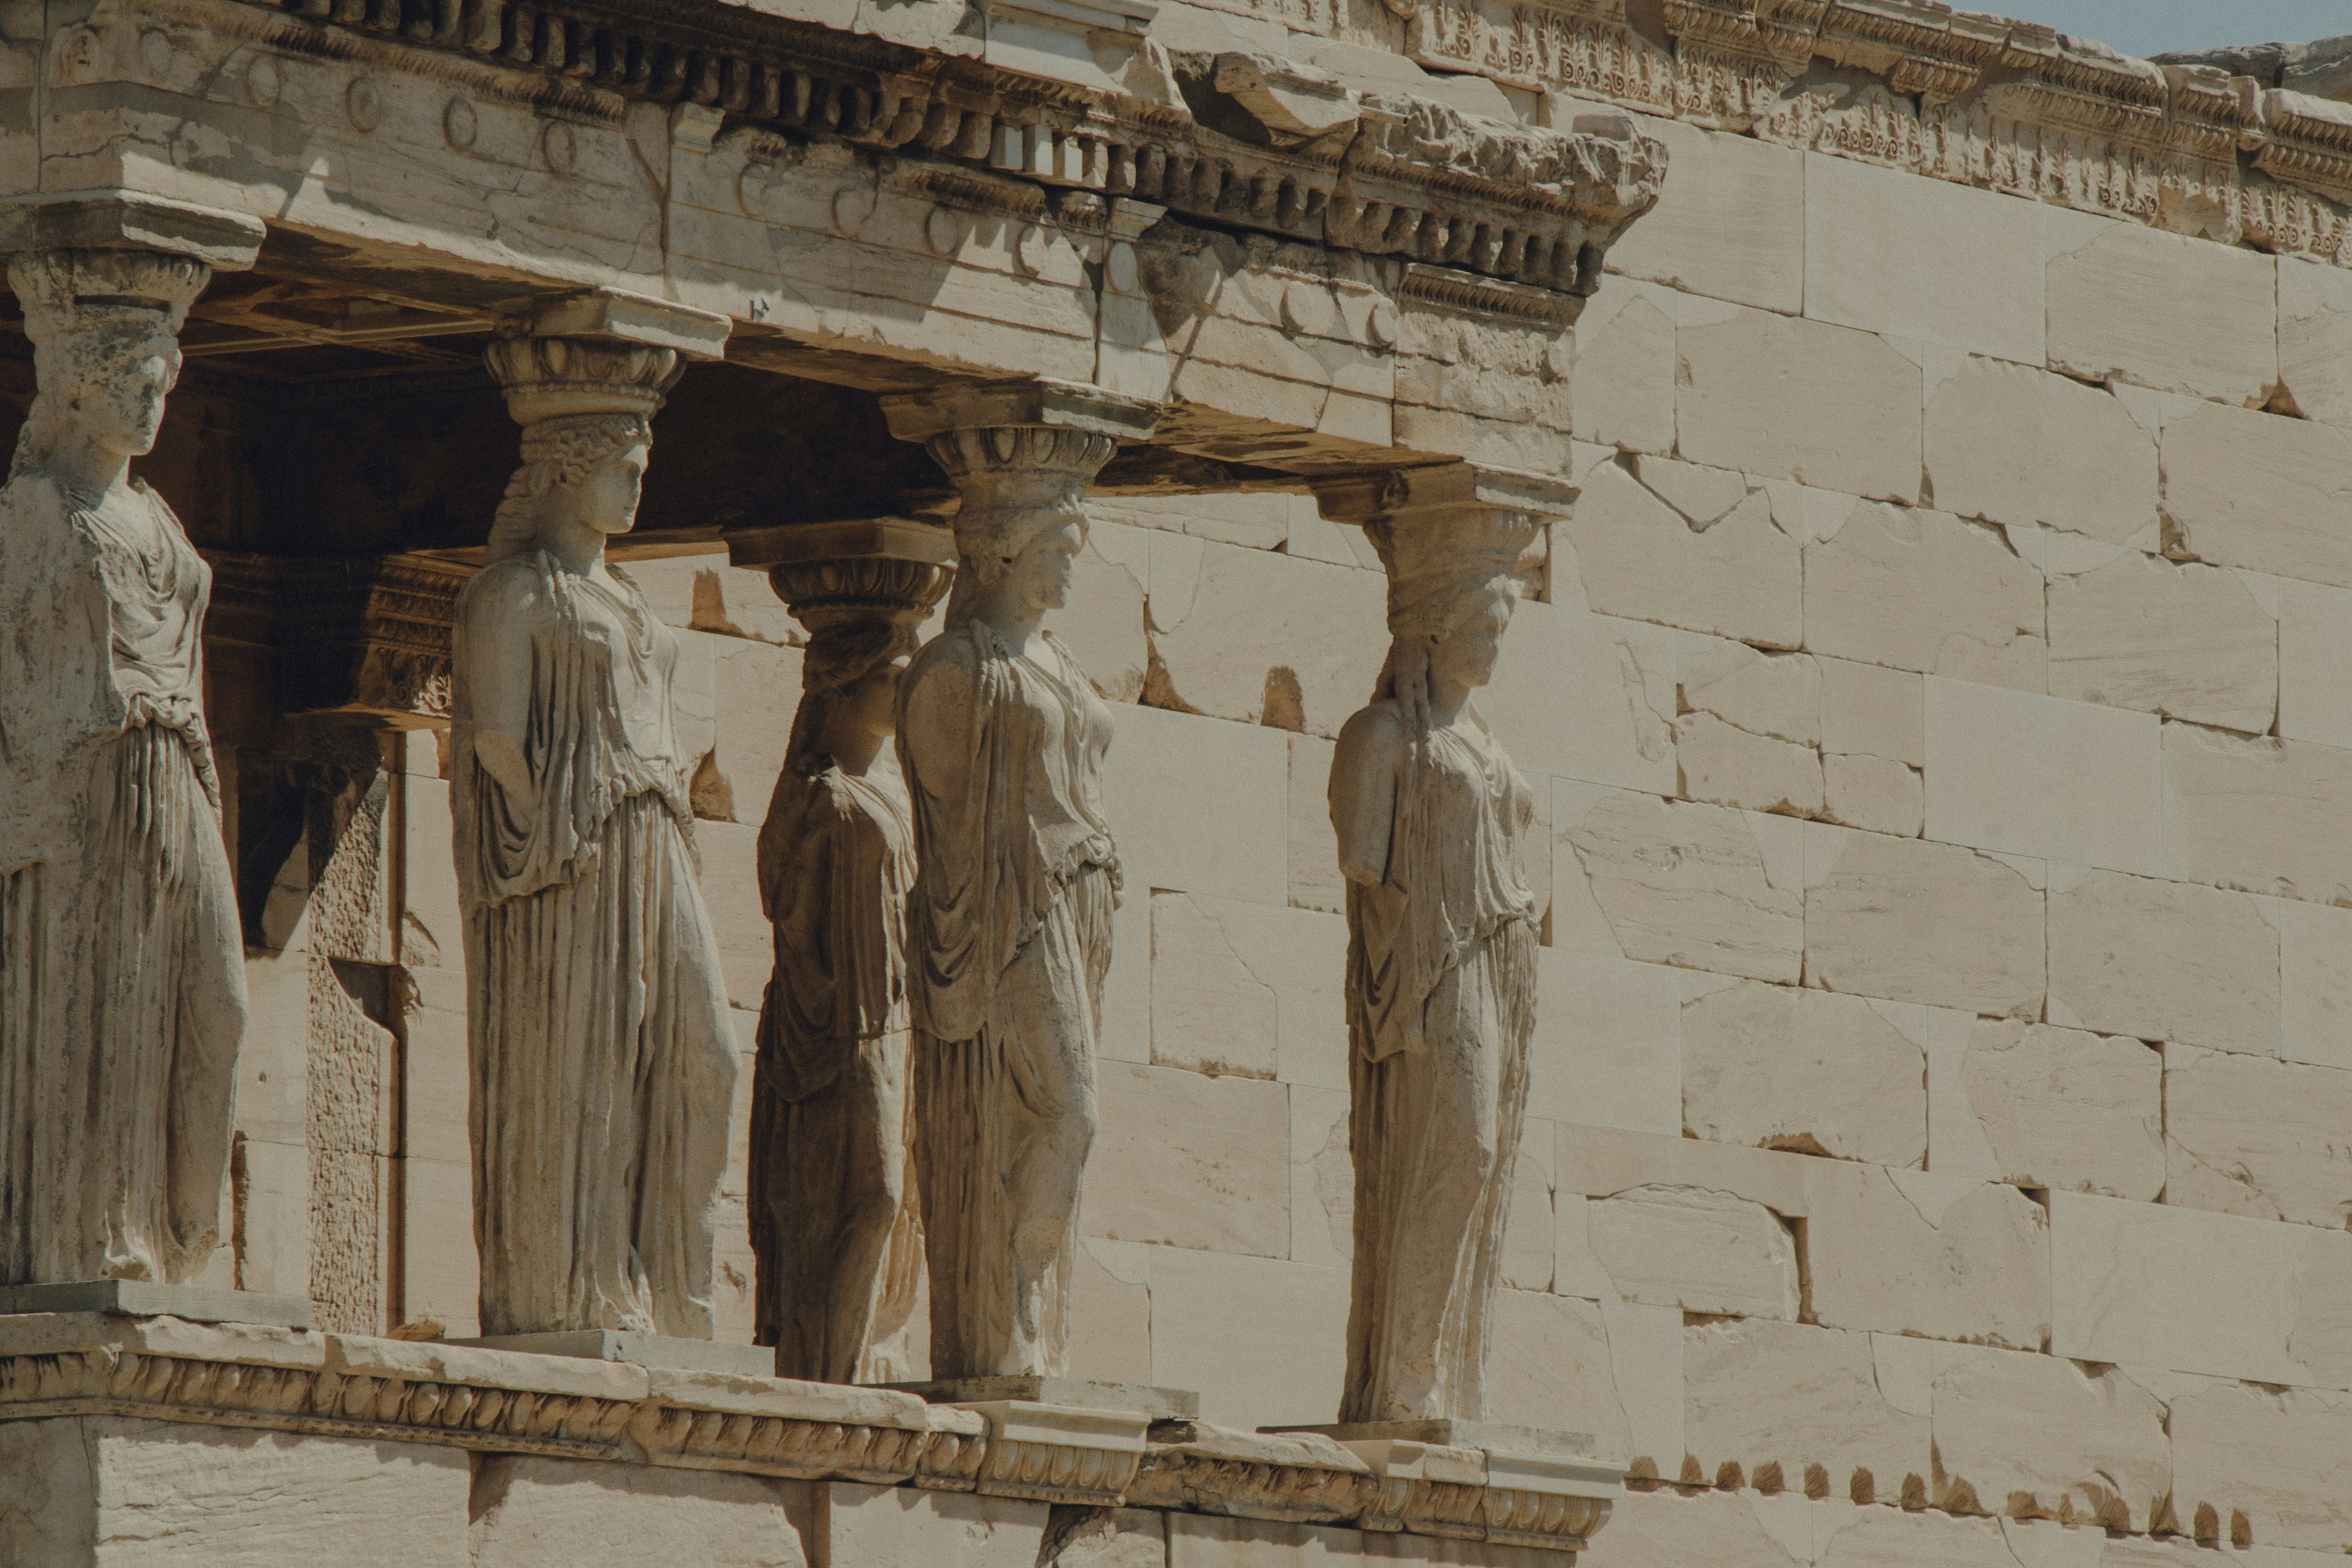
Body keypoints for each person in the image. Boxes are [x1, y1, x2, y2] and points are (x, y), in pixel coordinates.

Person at [450, 351, 736, 1339]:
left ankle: (679, 1291)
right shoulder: (516, 592)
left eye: (641, 466)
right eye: (622, 464)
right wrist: (553, 834)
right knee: (595, 1063)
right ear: (565, 469)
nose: (638, 483)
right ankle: (581, 1289)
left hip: (658, 838)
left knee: (704, 1054)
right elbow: (495, 733)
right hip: (579, 852)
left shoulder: (634, 603)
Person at [0, 249, 245, 1289]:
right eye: (134, 386)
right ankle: (95, 1237)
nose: (152, 407)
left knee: (216, 1001)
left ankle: (179, 1232)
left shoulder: (160, 520)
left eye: (162, 388)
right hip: (89, 782)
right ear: (84, 385)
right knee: (100, 1002)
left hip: (176, 773)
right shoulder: (36, 512)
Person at [895, 425, 1118, 1378]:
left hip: (1077, 911)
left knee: (1061, 1113)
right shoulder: (955, 671)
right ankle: (1008, 1316)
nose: (1071, 567)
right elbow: (948, 820)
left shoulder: (1058, 663)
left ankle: (1029, 1324)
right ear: (998, 547)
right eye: (1057, 549)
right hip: (1008, 918)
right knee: (1069, 1110)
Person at [1328, 506, 1541, 1423]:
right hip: (1430, 969)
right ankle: (1403, 1371)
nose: (1495, 645)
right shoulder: (1380, 739)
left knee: (1485, 1163)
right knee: (1457, 1147)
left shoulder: (1487, 743)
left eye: (1503, 628)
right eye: (1483, 627)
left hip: (1499, 965)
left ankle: (1447, 1373)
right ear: (1434, 626)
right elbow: (1366, 870)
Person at [752, 560, 942, 1384]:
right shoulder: (821, 794)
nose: (906, 693)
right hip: (839, 1028)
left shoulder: (895, 788)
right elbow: (780, 895)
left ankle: (854, 1360)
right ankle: (823, 1377)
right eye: (892, 677)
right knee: (865, 1199)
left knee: (894, 1204)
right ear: (843, 683)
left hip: (897, 1020)